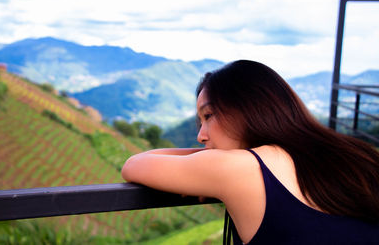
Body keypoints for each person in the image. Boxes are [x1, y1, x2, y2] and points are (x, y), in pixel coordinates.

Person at [121, 60, 379, 244]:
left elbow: (134, 164)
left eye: (209, 116)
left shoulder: (240, 168)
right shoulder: (355, 156)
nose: (201, 136)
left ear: (249, 109)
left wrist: (207, 160)